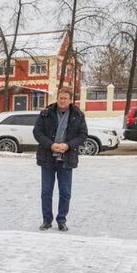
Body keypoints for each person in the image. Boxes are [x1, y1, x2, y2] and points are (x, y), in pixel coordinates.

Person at [33, 89, 87, 232]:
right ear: (57, 98)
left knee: (65, 192)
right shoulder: (46, 113)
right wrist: (50, 145)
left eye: (65, 98)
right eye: (60, 98)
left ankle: (61, 220)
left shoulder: (78, 115)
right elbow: (37, 132)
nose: (62, 100)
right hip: (47, 158)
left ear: (70, 100)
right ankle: (46, 220)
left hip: (66, 158)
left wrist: (68, 145)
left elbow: (83, 135)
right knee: (46, 191)